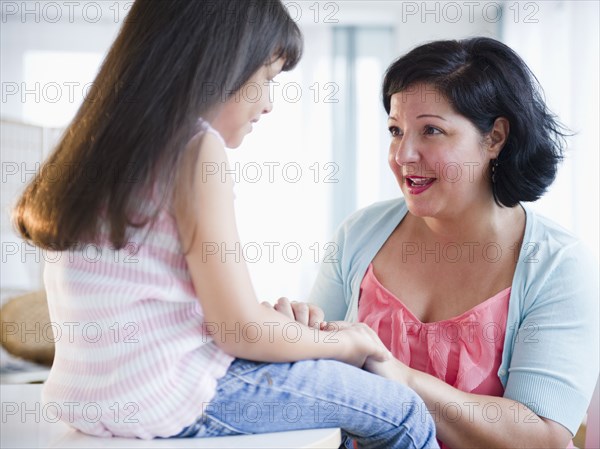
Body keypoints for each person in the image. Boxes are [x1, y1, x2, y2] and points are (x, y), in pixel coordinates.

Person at [12, 1, 440, 447]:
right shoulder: (197, 149)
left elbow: (176, 306)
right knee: (403, 410)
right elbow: (240, 331)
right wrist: (349, 345)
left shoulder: (99, 147)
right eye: (267, 80)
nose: (270, 104)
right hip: (172, 398)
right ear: (219, 62)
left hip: (93, 402)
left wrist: (282, 329)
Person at [299, 37, 599, 448]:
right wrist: (296, 332)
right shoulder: (360, 233)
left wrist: (402, 381)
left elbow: (543, 436)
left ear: (494, 138)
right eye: (395, 130)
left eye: (432, 131)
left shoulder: (559, 265)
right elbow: (316, 375)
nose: (403, 154)